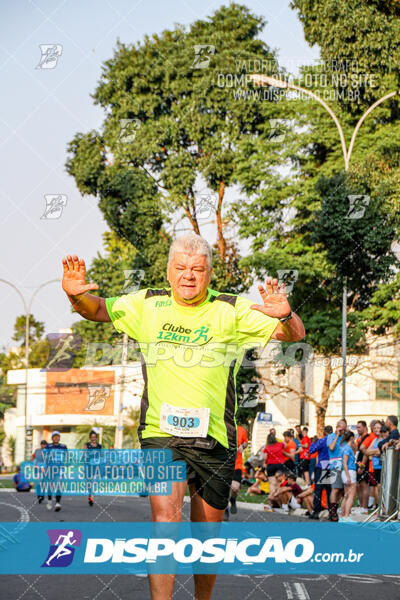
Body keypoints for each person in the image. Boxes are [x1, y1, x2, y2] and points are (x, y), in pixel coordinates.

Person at [61, 233, 305, 600]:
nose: (188, 275)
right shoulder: (146, 304)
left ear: (209, 274)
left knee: (206, 538)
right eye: (181, 268)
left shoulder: (232, 309)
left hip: (215, 438)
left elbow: (293, 334)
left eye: (197, 269)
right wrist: (75, 294)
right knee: (166, 519)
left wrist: (286, 314)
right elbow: (95, 309)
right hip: (161, 433)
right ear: (168, 270)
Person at [308, 425, 333, 519]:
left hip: (321, 466)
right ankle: (332, 512)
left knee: (318, 490)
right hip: (331, 466)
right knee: (330, 491)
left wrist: (313, 442)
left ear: (325, 432)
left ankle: (316, 512)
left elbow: (311, 451)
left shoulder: (322, 441)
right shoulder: (336, 441)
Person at [224, 424, 248, 520]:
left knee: (235, 488)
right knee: (224, 488)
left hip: (237, 465)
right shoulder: (222, 426)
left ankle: (233, 499)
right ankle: (225, 510)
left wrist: (243, 446)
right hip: (224, 464)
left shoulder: (241, 429)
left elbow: (246, 442)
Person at [327, 419, 347, 522]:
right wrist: (337, 436)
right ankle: (333, 512)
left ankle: (337, 508)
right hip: (334, 465)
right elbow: (331, 447)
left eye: (344, 429)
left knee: (342, 490)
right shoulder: (331, 436)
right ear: (337, 427)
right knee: (335, 489)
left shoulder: (345, 438)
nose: (343, 431)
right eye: (341, 429)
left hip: (344, 466)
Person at [366, 424, 388, 508]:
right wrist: (375, 453)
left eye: (378, 427)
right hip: (375, 467)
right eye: (374, 428)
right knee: (376, 487)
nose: (376, 429)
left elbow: (380, 452)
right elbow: (367, 451)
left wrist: (374, 453)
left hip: (382, 466)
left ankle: (382, 506)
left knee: (380, 487)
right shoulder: (375, 440)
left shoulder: (384, 439)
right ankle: (377, 506)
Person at [355, 420, 373, 515]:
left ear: (365, 427)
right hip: (358, 463)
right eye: (357, 427)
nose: (357, 429)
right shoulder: (359, 438)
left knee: (364, 486)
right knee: (359, 486)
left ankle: (365, 508)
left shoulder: (368, 437)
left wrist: (362, 466)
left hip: (364, 465)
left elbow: (365, 453)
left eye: (359, 427)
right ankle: (361, 506)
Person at [46, 431, 67, 512]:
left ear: (59, 437)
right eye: (54, 436)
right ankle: (50, 500)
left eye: (57, 436)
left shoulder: (63, 446)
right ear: (52, 438)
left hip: (60, 469)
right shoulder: (48, 447)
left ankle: (58, 503)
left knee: (59, 486)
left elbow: (66, 457)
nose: (56, 438)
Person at [340, 431, 357, 520]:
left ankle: (342, 515)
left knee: (346, 495)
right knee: (351, 495)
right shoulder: (347, 448)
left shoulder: (344, 447)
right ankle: (346, 516)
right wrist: (348, 477)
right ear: (352, 438)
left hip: (346, 472)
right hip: (349, 472)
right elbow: (344, 462)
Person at [263, 432, 287, 497]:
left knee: (272, 483)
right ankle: (279, 497)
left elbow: (264, 457)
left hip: (271, 465)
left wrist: (265, 463)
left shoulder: (267, 447)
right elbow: (285, 445)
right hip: (280, 465)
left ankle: (272, 497)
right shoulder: (280, 444)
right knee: (280, 482)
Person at [84, 430, 102, 507]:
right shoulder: (87, 445)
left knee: (95, 482)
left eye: (94, 437)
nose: (93, 438)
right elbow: (84, 453)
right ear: (90, 438)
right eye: (92, 437)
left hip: (96, 466)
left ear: (96, 438)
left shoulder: (99, 446)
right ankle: (90, 494)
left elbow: (101, 455)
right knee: (89, 482)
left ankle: (92, 497)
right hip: (89, 465)